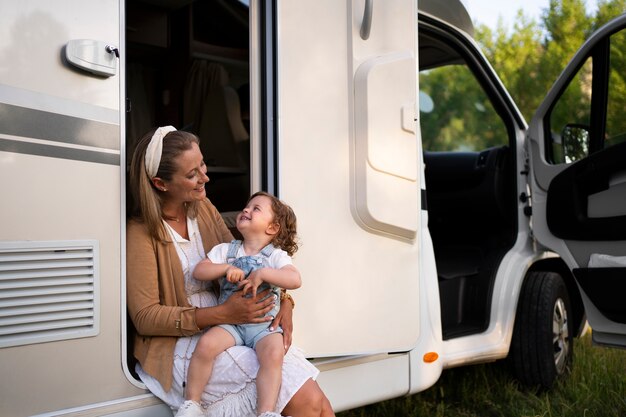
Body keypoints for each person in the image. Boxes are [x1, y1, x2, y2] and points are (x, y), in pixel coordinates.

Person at [126, 126, 335, 417]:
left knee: (321, 406)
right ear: (161, 184)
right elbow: (146, 317)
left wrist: (285, 301)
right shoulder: (140, 233)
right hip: (185, 344)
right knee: (307, 404)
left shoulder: (202, 209)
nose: (205, 177)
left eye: (202, 164)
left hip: (237, 324)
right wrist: (224, 315)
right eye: (192, 174)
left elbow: (246, 259)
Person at [180, 192, 301, 417]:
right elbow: (199, 270)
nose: (246, 210)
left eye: (256, 209)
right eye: (247, 206)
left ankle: (266, 412)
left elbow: (295, 280)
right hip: (231, 323)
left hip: (263, 326)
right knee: (206, 345)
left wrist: (264, 273)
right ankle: (191, 404)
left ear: (272, 228)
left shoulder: (275, 256)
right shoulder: (227, 251)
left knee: (274, 354)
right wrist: (225, 269)